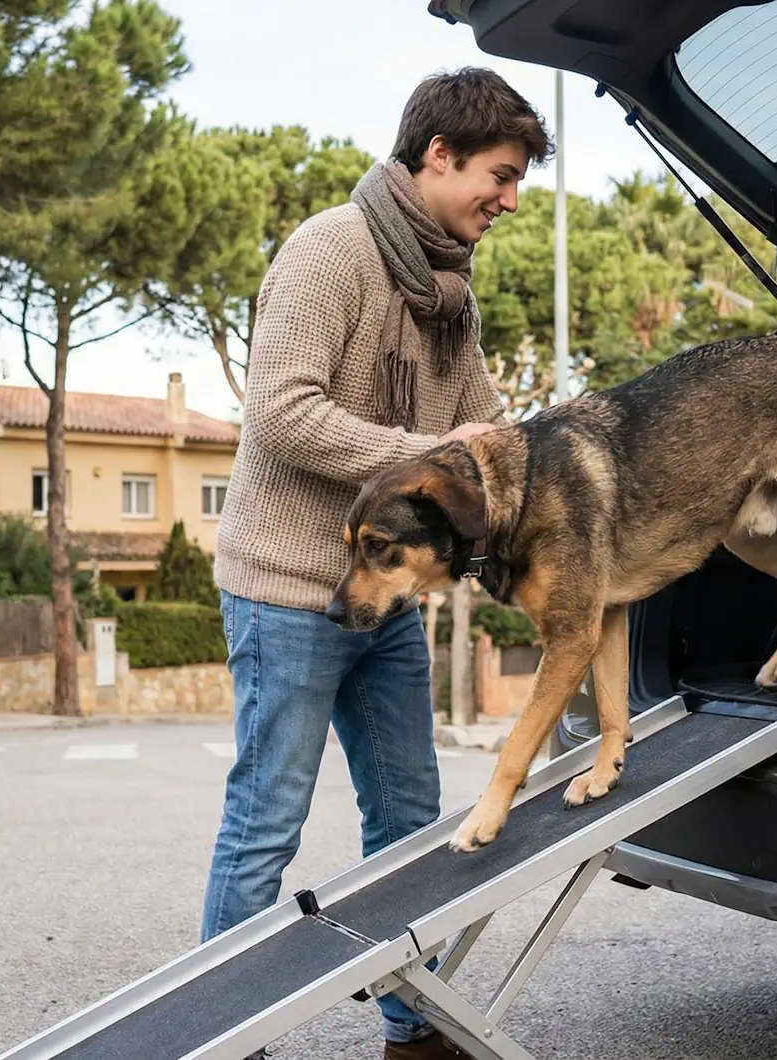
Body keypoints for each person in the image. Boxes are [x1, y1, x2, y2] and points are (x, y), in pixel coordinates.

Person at [205, 66, 553, 1059]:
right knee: (265, 827)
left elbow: (481, 439)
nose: (511, 197)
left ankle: (415, 1026)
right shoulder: (330, 252)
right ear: (436, 155)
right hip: (285, 592)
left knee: (408, 820)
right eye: (499, 172)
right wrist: (428, 456)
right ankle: (226, 1037)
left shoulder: (452, 295)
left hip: (388, 601)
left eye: (519, 179)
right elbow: (281, 412)